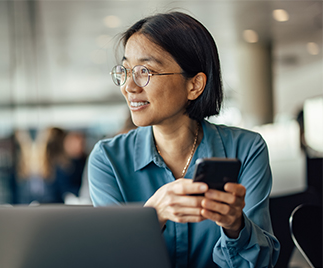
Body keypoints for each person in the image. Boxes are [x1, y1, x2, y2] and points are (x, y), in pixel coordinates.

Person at [88, 12, 280, 267]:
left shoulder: (246, 149)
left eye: (144, 71)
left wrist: (235, 226)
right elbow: (109, 260)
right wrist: (151, 217)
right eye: (125, 70)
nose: (129, 87)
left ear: (195, 85)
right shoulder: (107, 159)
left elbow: (262, 264)